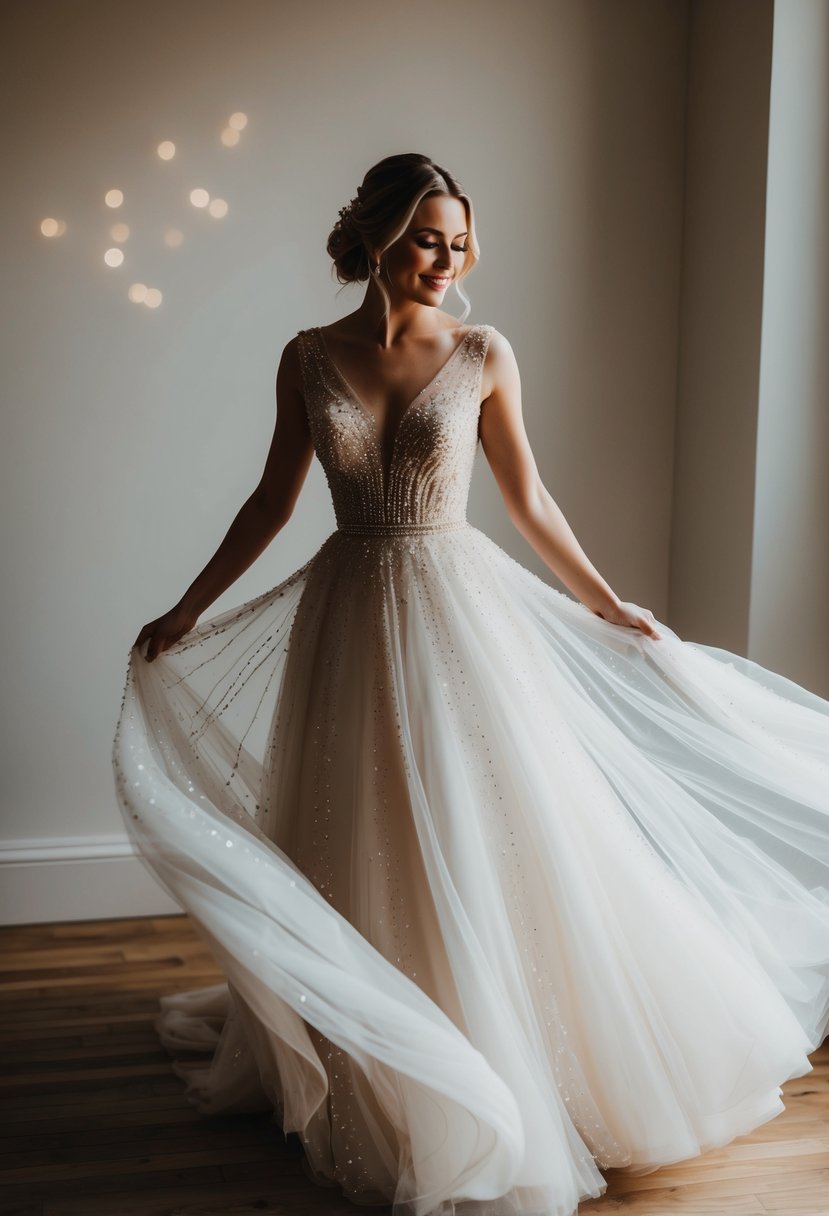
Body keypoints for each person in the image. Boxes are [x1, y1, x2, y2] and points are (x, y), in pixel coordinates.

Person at [114, 152, 829, 1216]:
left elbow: (528, 498)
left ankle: (508, 1056)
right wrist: (189, 606)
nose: (445, 259)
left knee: (481, 825)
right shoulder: (308, 357)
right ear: (375, 238)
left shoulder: (484, 352)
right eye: (424, 239)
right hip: (349, 612)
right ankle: (375, 1062)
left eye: (456, 241)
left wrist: (603, 599)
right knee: (361, 827)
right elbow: (270, 501)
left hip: (459, 611)